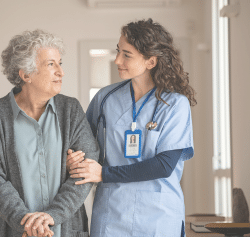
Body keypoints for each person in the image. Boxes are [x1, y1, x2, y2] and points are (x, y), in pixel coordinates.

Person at [67, 18, 196, 237]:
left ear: (151, 61)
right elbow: (83, 145)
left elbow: (164, 165)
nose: (117, 60)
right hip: (112, 213)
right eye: (118, 51)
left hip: (159, 215)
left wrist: (103, 174)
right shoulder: (105, 98)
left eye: (127, 55)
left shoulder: (175, 104)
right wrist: (75, 159)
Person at [0, 29, 99, 237]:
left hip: (65, 230)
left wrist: (52, 216)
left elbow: (86, 170)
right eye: (51, 64)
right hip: (13, 231)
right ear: (25, 74)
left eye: (60, 63)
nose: (61, 72)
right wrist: (27, 223)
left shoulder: (71, 110)